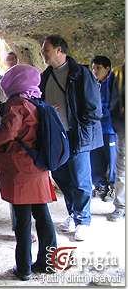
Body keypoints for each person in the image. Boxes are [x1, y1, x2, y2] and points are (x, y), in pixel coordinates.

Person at [0, 64, 57, 281]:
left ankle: (24, 267)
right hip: (38, 166)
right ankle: (49, 262)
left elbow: (8, 132)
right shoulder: (36, 99)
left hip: (21, 168)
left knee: (23, 219)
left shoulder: (17, 103)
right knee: (43, 215)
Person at [40, 35, 103, 241]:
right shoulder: (45, 76)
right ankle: (73, 215)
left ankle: (83, 220)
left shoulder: (80, 73)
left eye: (46, 50)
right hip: (56, 137)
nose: (43, 54)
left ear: (59, 50)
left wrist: (80, 126)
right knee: (61, 177)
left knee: (80, 179)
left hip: (76, 135)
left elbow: (94, 108)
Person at [90, 56, 118, 202]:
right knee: (95, 159)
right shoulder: (93, 83)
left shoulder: (114, 83)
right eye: (93, 68)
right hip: (95, 129)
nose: (95, 71)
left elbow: (113, 105)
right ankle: (100, 185)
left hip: (110, 129)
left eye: (98, 68)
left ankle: (113, 187)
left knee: (112, 159)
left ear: (107, 68)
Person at [108, 63, 125, 221]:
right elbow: (112, 101)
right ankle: (120, 206)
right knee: (122, 168)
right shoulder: (119, 73)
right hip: (124, 128)